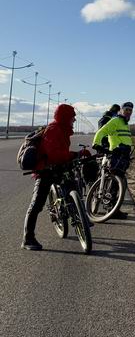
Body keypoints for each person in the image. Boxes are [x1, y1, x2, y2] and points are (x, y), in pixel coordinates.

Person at [22, 104, 77, 250]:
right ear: (65, 117)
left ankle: (79, 215)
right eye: (73, 116)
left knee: (73, 186)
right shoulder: (53, 130)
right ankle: (28, 239)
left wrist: (76, 156)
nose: (75, 119)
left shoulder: (63, 130)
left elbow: (61, 152)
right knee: (36, 205)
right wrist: (72, 155)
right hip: (45, 171)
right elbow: (54, 154)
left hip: (57, 168)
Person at [92, 101, 134, 219]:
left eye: (130, 111)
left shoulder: (125, 124)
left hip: (124, 155)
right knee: (115, 181)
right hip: (116, 154)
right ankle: (111, 208)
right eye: (126, 110)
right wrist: (96, 143)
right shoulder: (115, 121)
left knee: (118, 181)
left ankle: (114, 208)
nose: (128, 112)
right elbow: (102, 131)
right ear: (121, 110)